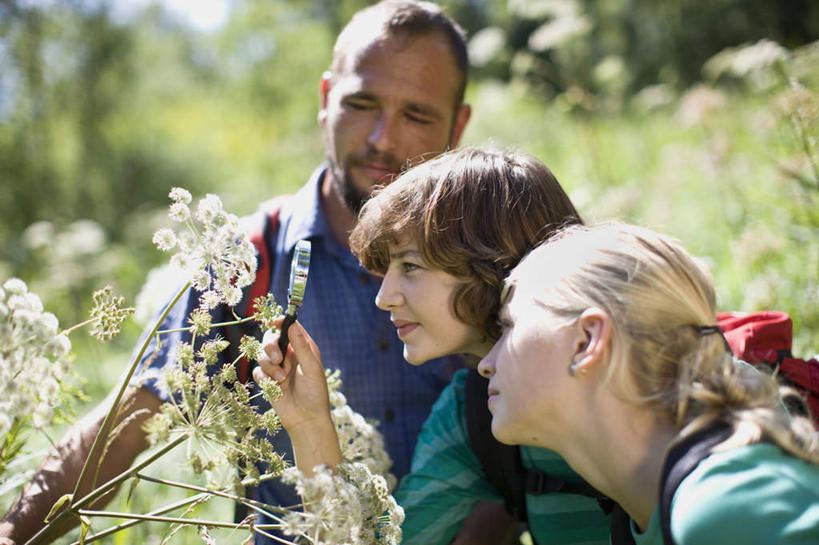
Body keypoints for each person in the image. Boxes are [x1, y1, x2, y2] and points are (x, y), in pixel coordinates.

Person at [0, 2, 477, 544]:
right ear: (325, 101)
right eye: (362, 104)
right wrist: (13, 534)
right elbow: (127, 423)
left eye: (416, 115)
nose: (383, 138)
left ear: (459, 124)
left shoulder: (491, 263)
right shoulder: (248, 260)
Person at [256, 147, 612, 545]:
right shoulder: (470, 416)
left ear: (492, 265)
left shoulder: (632, 368)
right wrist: (309, 426)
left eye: (410, 266)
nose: (384, 297)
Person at [476, 222, 819, 545]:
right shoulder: (639, 518)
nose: (485, 364)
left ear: (586, 341)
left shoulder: (726, 507)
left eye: (509, 327)